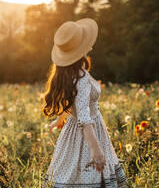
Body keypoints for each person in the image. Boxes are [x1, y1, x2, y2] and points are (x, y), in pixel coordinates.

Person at [41, 18, 129, 187]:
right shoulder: (80, 78)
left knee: (70, 175)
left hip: (75, 130)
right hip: (88, 132)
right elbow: (83, 118)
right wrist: (96, 150)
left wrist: (60, 120)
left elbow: (70, 98)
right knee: (86, 175)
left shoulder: (72, 72)